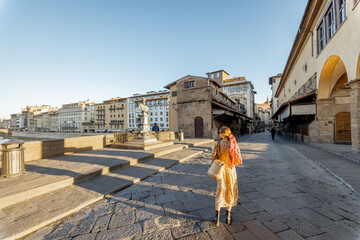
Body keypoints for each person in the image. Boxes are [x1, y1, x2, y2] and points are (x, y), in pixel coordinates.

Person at [211, 127, 242, 226]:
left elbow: (213, 157)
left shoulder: (218, 144)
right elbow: (237, 160)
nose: (218, 134)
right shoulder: (233, 144)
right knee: (230, 191)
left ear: (222, 134)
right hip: (231, 170)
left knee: (220, 191)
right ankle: (228, 217)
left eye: (219, 133)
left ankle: (217, 218)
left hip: (221, 171)